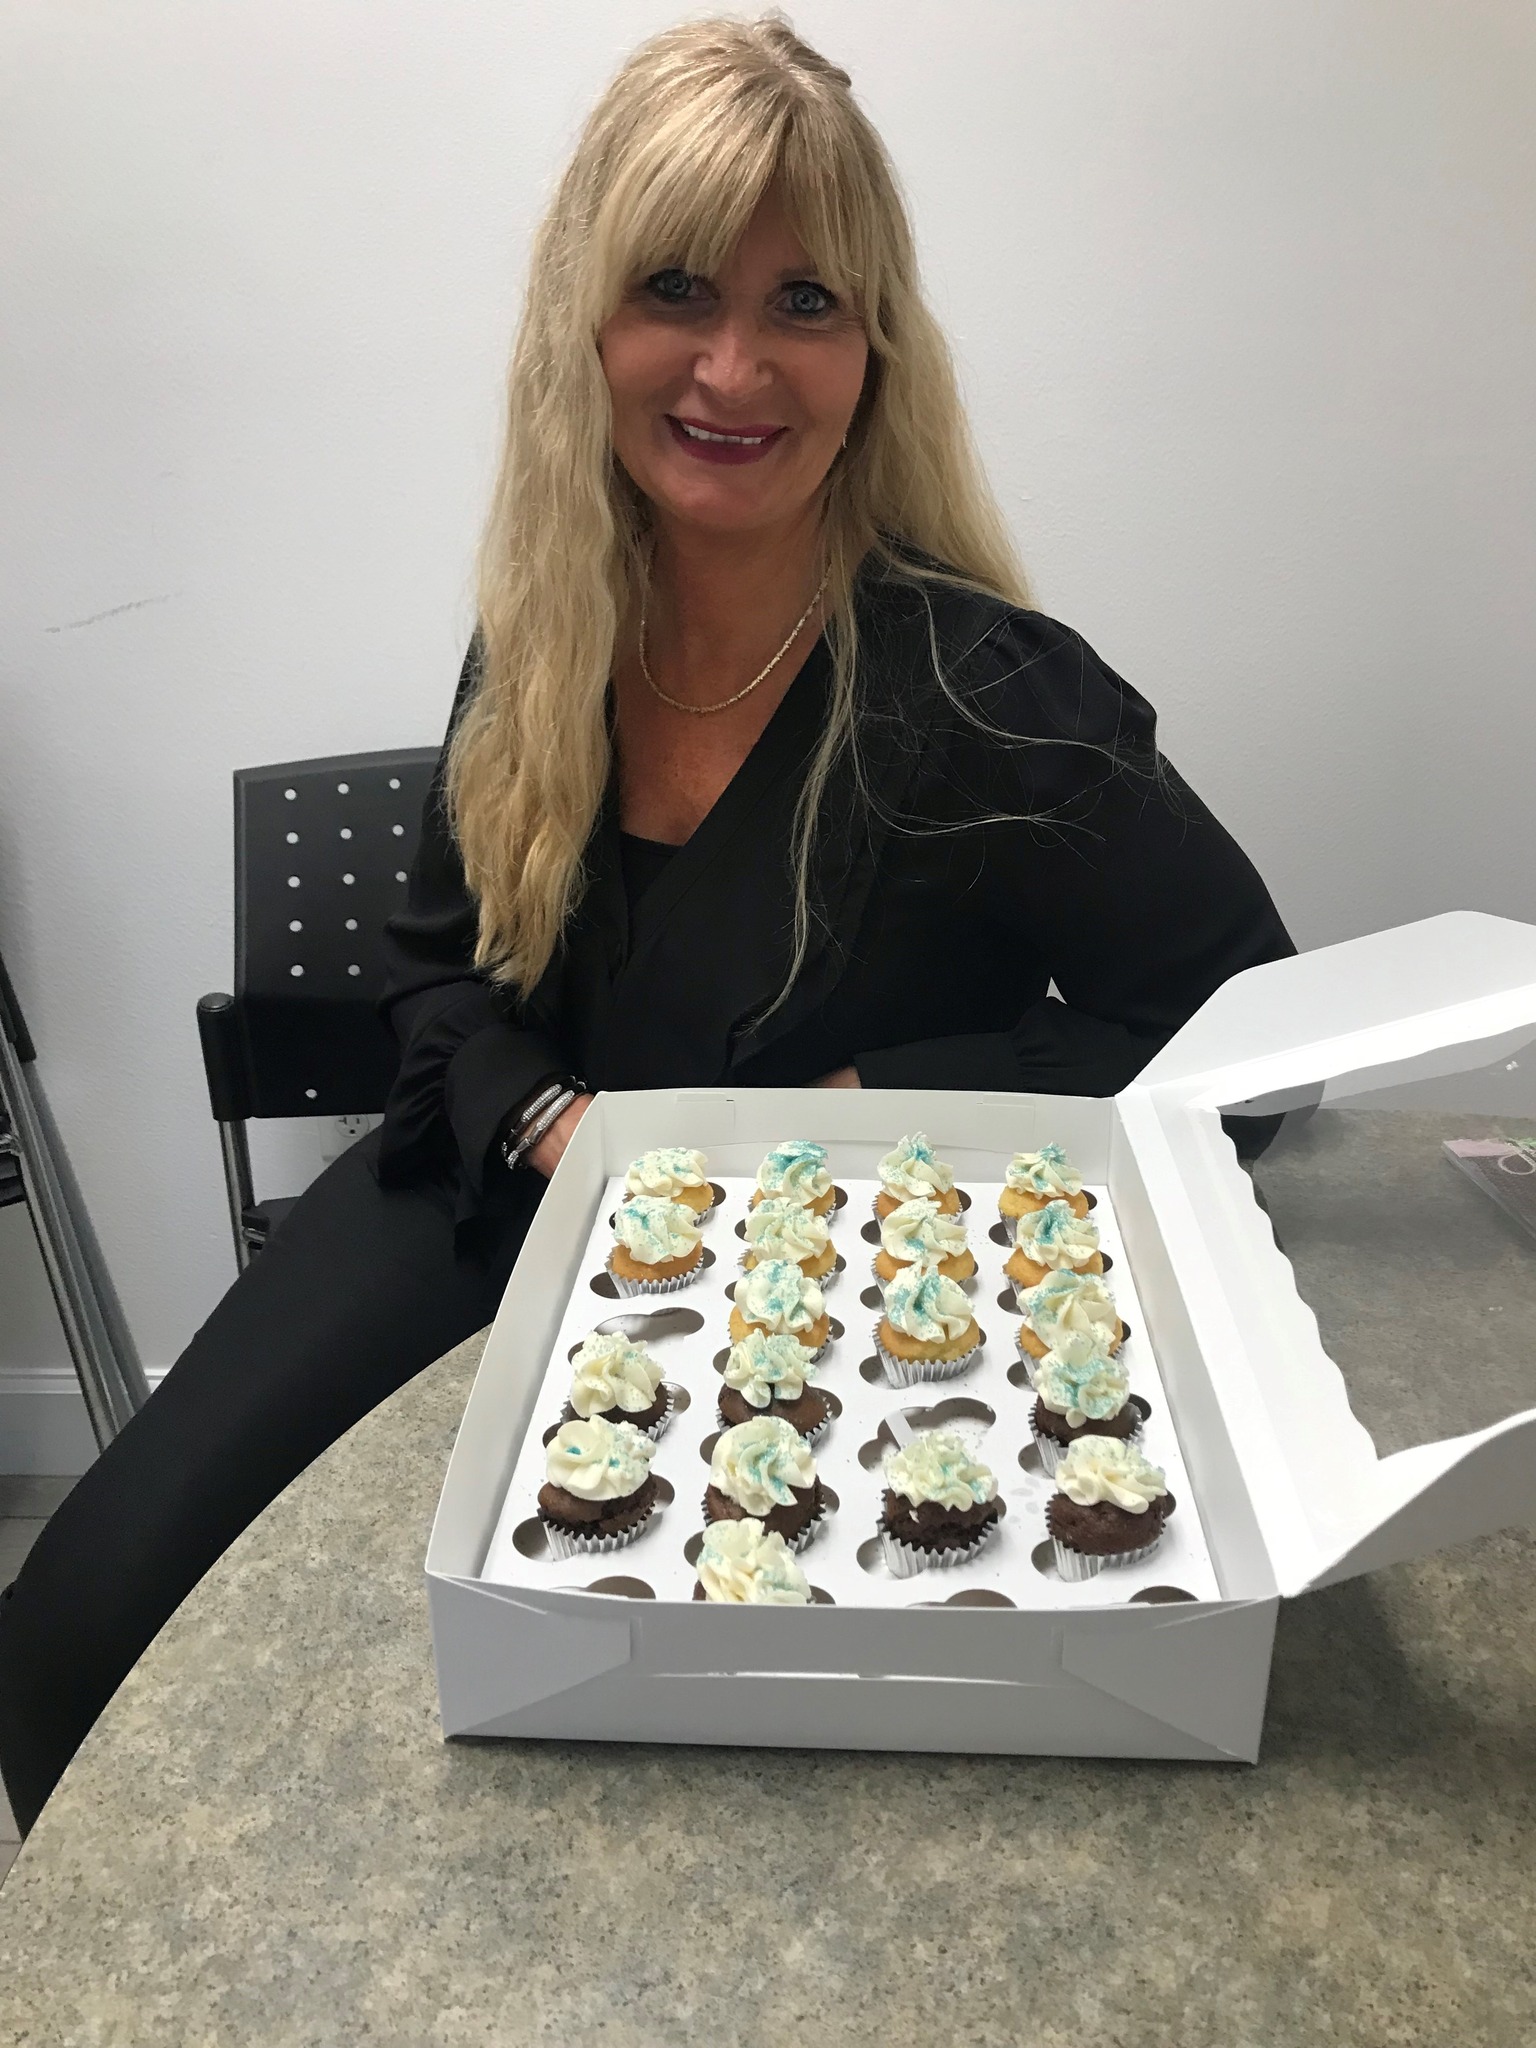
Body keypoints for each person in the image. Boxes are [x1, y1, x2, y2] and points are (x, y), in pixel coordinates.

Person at [0, 11, 1293, 1834]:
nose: (733, 366)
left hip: (819, 1287)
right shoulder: (546, 634)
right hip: (496, 1197)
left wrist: (878, 1102)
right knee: (75, 1633)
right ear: (585, 324)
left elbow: (1252, 1036)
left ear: (875, 352)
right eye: (677, 288)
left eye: (804, 303)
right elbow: (438, 979)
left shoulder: (992, 694)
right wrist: (548, 1120)